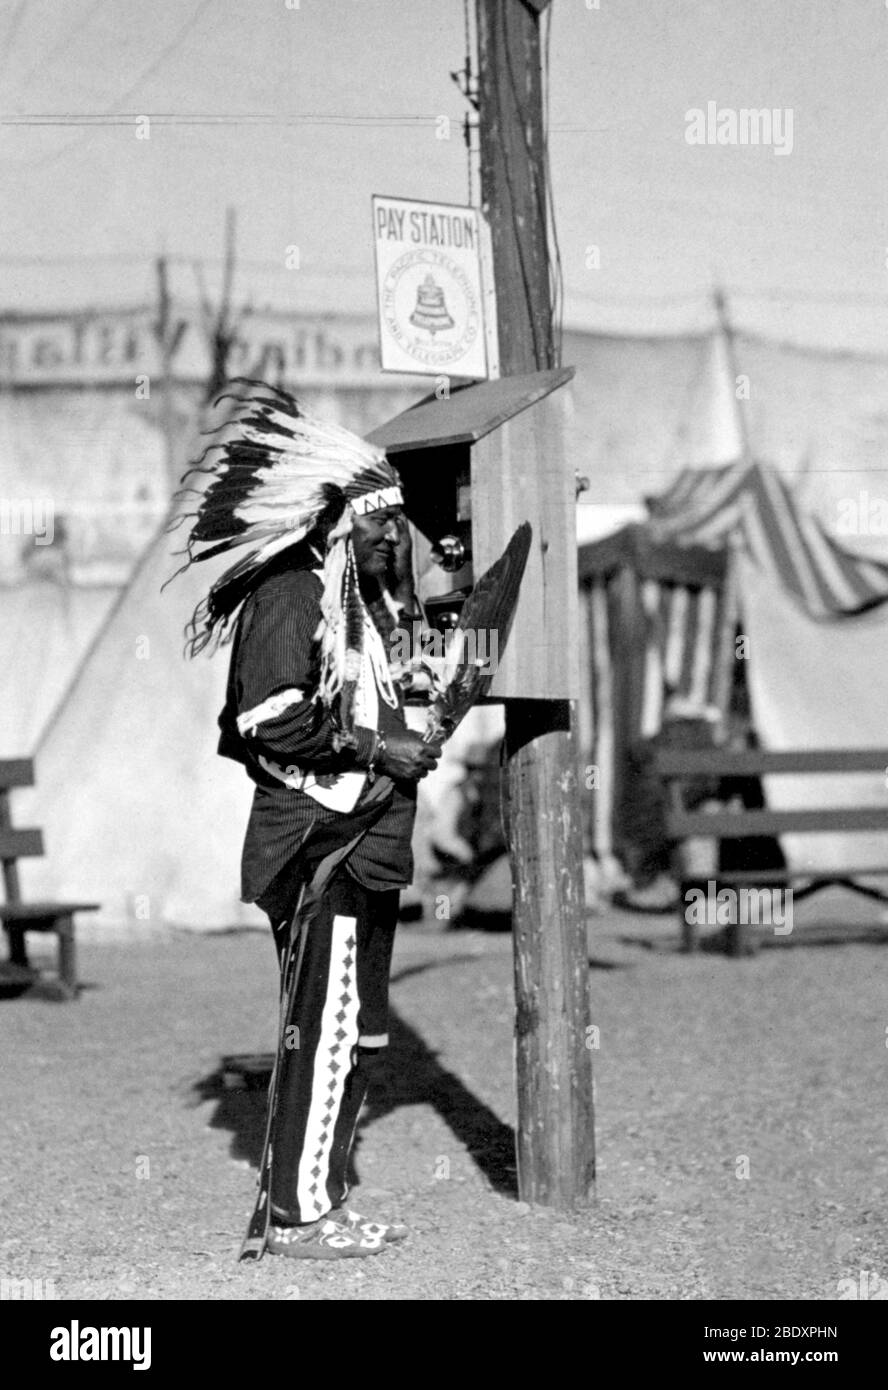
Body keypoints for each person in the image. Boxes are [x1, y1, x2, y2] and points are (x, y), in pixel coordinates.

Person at [178, 382, 441, 1260]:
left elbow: (386, 701)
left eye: (397, 523)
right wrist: (379, 752)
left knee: (359, 1028)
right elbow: (272, 719)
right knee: (322, 1025)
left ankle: (318, 1193)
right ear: (337, 522)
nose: (391, 537)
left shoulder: (362, 608)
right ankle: (297, 1214)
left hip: (367, 846)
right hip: (315, 845)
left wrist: (414, 709)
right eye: (377, 523)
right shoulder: (292, 593)